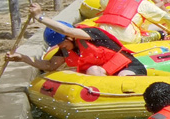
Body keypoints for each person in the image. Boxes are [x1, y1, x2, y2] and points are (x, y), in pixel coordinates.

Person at [9, 5, 148, 77]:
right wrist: (23, 58)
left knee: (97, 71)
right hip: (105, 74)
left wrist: (40, 17)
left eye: (61, 42)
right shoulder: (66, 49)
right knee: (93, 70)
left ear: (70, 37)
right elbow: (50, 65)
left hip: (129, 67)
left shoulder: (92, 34)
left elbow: (66, 31)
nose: (60, 46)